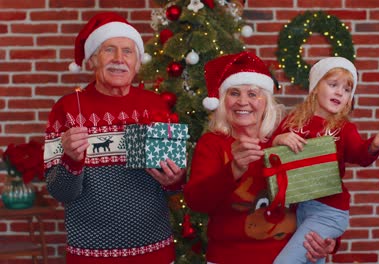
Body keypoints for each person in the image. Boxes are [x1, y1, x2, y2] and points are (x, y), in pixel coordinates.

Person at [43, 12, 185, 264]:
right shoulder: (66, 109)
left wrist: (174, 179)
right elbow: (60, 192)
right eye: (109, 50)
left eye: (127, 52)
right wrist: (71, 159)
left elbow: (172, 185)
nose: (119, 59)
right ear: (93, 60)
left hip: (154, 250)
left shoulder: (156, 105)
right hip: (90, 254)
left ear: (138, 62)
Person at [183, 51, 338, 264]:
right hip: (229, 258)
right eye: (234, 93)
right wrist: (234, 169)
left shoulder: (286, 140)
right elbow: (197, 202)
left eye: (253, 94)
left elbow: (319, 201)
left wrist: (326, 240)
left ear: (266, 101)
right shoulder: (213, 143)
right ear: (222, 101)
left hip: (288, 257)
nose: (243, 102)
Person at [272, 57, 379, 264]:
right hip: (298, 207)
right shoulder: (293, 120)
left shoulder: (345, 129)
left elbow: (360, 154)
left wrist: (375, 143)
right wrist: (279, 138)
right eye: (333, 85)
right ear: (315, 87)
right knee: (311, 259)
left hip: (328, 211)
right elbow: (269, 152)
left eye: (347, 89)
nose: (340, 92)